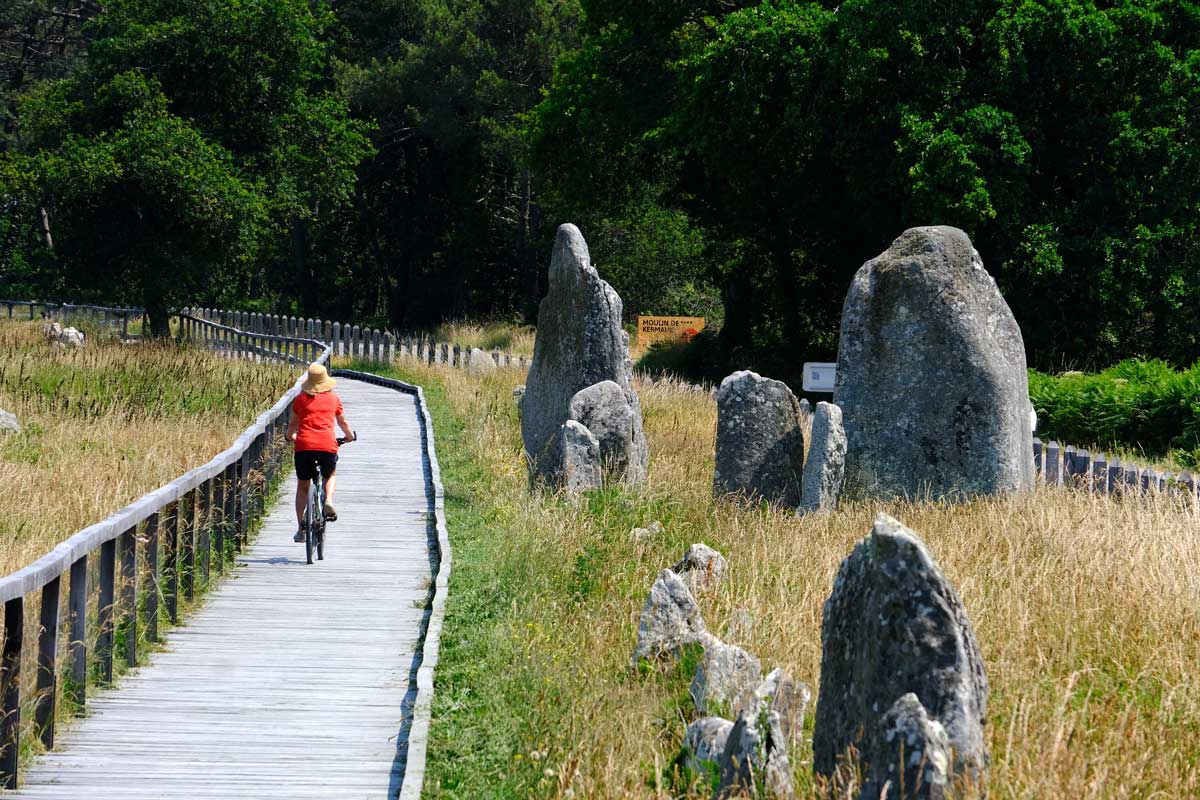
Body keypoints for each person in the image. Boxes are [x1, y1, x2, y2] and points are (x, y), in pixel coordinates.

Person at [286, 363, 355, 542]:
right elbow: (343, 423)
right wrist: (349, 436)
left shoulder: (300, 400)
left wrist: (289, 436)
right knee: (330, 474)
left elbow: (293, 425)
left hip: (303, 446)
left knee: (302, 486)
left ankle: (301, 528)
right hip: (327, 446)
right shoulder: (334, 399)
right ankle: (329, 499)